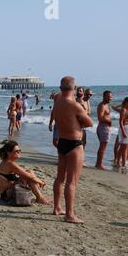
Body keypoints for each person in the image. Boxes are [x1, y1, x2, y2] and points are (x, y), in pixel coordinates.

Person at [52, 76, 93, 224]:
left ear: (61, 88)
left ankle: (57, 207)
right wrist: (79, 121)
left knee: (60, 178)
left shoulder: (57, 103)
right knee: (72, 182)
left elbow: (57, 119)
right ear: (74, 89)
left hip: (62, 141)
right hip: (74, 143)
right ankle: (69, 214)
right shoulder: (74, 105)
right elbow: (89, 123)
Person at [0, 141, 50, 205]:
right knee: (28, 177)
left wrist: (36, 180)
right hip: (8, 195)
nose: (19, 152)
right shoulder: (10, 164)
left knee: (29, 172)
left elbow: (26, 172)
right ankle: (40, 198)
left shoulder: (7, 162)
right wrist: (40, 182)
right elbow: (29, 176)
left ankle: (40, 197)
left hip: (7, 193)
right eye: (17, 151)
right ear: (9, 153)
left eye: (19, 150)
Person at [96, 91, 113, 170]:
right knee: (102, 147)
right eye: (108, 96)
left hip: (106, 128)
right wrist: (109, 121)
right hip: (103, 128)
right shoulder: (102, 105)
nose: (110, 98)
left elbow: (105, 116)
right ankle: (99, 164)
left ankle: (98, 163)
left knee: (103, 147)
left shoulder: (107, 105)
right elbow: (100, 118)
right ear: (104, 96)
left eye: (111, 97)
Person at [76, 87, 89, 166]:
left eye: (81, 91)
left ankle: (81, 159)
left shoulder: (85, 101)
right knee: (79, 143)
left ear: (83, 92)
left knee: (83, 142)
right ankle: (80, 160)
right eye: (78, 91)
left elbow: (88, 112)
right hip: (77, 125)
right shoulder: (75, 101)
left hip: (83, 125)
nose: (79, 92)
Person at [116, 98, 128, 168]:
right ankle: (123, 164)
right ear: (126, 102)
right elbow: (121, 122)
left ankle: (118, 162)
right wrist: (123, 132)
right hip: (124, 129)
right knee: (124, 147)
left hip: (126, 128)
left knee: (123, 147)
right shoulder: (123, 109)